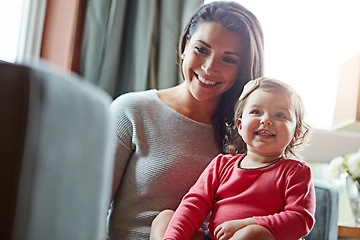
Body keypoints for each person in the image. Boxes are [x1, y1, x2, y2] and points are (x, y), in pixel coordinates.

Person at [107, 1, 264, 239]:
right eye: (201, 49)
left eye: (228, 59)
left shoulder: (246, 135)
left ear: (242, 69)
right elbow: (86, 211)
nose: (209, 67)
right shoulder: (131, 111)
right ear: (186, 43)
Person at [150, 77, 316, 240]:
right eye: (256, 112)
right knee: (165, 219)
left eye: (280, 115)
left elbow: (301, 219)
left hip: (257, 236)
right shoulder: (221, 164)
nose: (266, 120)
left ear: (295, 134)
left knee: (252, 234)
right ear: (240, 125)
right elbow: (195, 203)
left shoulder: (296, 172)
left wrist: (250, 224)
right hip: (213, 237)